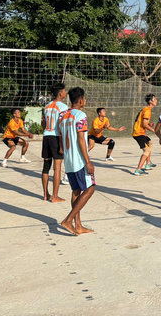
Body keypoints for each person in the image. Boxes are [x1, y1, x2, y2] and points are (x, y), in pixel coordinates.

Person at [58, 87, 95, 235]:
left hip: (68, 159)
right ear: (80, 100)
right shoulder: (80, 115)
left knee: (76, 191)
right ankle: (68, 220)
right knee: (90, 188)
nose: (85, 101)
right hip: (79, 160)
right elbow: (81, 139)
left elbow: (60, 137)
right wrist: (88, 161)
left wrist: (64, 150)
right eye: (84, 98)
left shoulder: (63, 116)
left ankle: (78, 225)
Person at [41, 84, 69, 203]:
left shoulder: (47, 106)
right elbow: (61, 125)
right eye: (64, 91)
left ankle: (45, 194)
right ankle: (55, 196)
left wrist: (47, 130)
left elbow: (43, 123)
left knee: (46, 167)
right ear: (60, 93)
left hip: (46, 136)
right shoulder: (63, 107)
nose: (65, 93)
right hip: (56, 137)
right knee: (57, 168)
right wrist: (62, 145)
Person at [132, 94, 158, 176]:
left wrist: (149, 124)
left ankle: (148, 164)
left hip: (140, 132)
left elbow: (143, 122)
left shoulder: (146, 109)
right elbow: (144, 124)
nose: (156, 100)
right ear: (150, 101)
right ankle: (138, 169)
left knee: (150, 142)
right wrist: (155, 130)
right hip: (138, 133)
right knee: (146, 150)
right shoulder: (147, 111)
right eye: (154, 99)